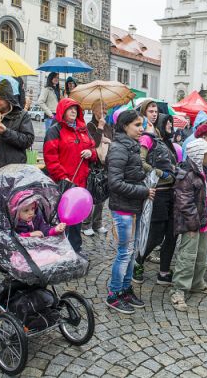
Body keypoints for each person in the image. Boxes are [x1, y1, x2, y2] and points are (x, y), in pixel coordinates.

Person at [105, 110, 155, 314]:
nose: (141, 128)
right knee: (124, 253)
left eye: (142, 124)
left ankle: (125, 289)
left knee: (132, 252)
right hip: (123, 208)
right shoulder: (118, 148)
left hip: (133, 207)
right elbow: (115, 183)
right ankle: (113, 294)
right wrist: (144, 191)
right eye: (137, 124)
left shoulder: (132, 147)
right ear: (125, 126)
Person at [43, 98, 96, 254]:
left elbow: (93, 150)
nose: (73, 111)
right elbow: (50, 158)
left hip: (81, 182)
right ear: (62, 111)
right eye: (70, 108)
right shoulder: (55, 130)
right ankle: (62, 250)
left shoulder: (83, 129)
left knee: (77, 217)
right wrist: (62, 177)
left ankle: (75, 248)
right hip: (64, 182)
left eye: (76, 109)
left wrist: (90, 153)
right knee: (62, 218)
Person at [170, 139, 207, 311]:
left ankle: (197, 282)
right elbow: (184, 202)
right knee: (187, 256)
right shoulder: (187, 174)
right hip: (192, 223)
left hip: (202, 220)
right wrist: (194, 223)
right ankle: (179, 290)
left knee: (201, 255)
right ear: (198, 155)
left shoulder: (202, 170)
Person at [134, 113, 178, 285]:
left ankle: (164, 272)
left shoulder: (167, 143)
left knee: (172, 234)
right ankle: (137, 261)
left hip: (173, 193)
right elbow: (140, 162)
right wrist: (160, 174)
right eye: (168, 123)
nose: (171, 126)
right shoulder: (148, 139)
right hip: (158, 192)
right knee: (156, 234)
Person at [0, 80, 35, 170]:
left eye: (0, 99)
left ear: (8, 99)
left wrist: (6, 132)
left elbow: (28, 141)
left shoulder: (21, 115)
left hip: (14, 170)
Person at [83, 99, 113, 236]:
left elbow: (112, 141)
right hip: (92, 165)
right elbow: (92, 144)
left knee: (101, 196)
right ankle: (86, 224)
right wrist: (100, 128)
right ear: (94, 110)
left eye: (105, 110)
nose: (103, 112)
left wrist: (108, 141)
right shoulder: (89, 125)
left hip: (104, 164)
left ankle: (98, 223)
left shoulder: (108, 126)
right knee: (90, 195)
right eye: (101, 109)